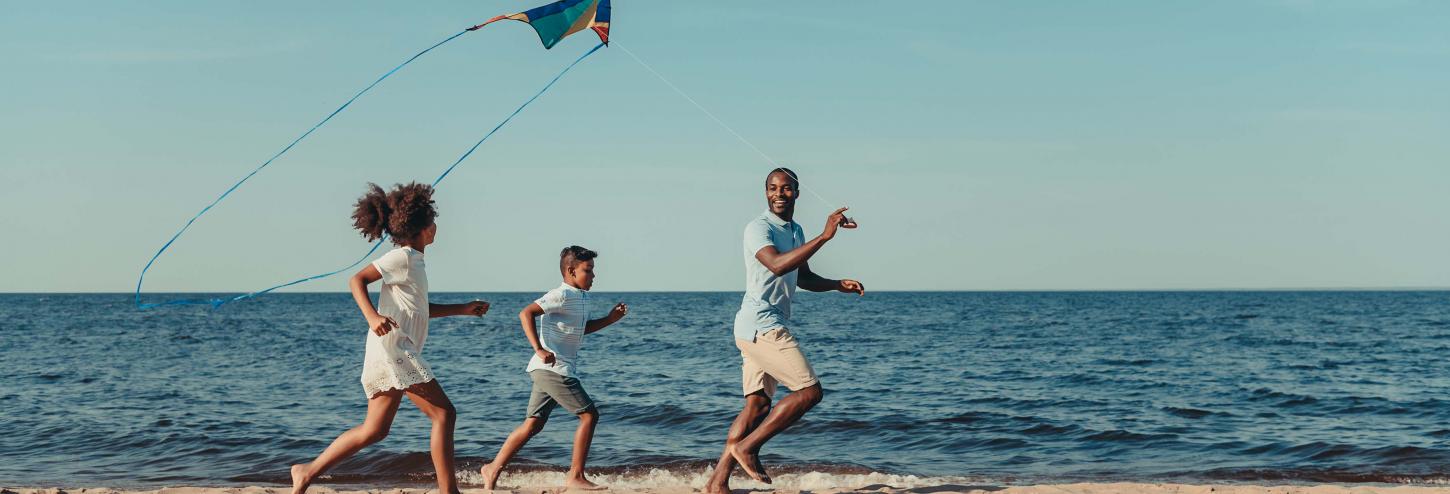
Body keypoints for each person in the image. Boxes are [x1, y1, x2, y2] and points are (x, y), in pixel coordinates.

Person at [290, 182, 489, 494]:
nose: (436, 226)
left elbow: (419, 310)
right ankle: (448, 491)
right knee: (445, 414)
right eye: (432, 221)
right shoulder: (404, 257)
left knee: (375, 429)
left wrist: (462, 309)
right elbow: (357, 280)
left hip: (392, 350)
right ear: (423, 228)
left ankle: (306, 471)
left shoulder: (415, 261)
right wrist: (372, 316)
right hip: (394, 351)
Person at [704, 168, 865, 493]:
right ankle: (748, 448)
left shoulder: (795, 230)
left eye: (787, 188)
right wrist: (825, 236)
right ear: (766, 193)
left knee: (758, 406)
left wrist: (836, 285)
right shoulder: (757, 228)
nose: (779, 193)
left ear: (797, 193)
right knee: (809, 392)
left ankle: (716, 483)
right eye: (773, 188)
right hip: (761, 324)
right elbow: (777, 264)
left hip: (757, 326)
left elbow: (800, 275)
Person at [479, 246, 628, 491]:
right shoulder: (562, 295)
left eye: (593, 270)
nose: (593, 276)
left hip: (551, 369)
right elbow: (526, 313)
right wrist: (539, 349)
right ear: (571, 271)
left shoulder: (581, 297)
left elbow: (581, 330)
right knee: (589, 415)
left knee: (533, 424)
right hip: (553, 368)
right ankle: (575, 476)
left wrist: (610, 320)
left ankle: (492, 468)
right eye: (587, 271)